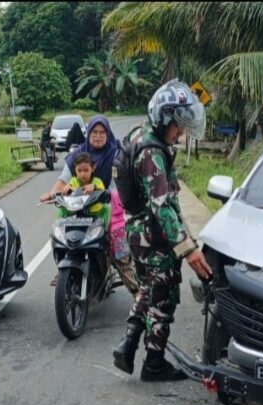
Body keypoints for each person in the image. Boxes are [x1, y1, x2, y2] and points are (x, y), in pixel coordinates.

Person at [112, 79, 213, 382]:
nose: (180, 134)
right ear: (164, 119)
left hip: (137, 233)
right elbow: (161, 206)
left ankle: (128, 344)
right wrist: (188, 248)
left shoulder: (139, 135)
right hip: (155, 236)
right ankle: (154, 363)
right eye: (178, 127)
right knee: (164, 298)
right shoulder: (152, 154)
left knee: (147, 289)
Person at [40, 115, 138, 294]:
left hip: (110, 209)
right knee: (58, 234)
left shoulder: (116, 154)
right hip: (79, 211)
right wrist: (51, 194)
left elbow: (124, 182)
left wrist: (114, 194)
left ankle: (138, 294)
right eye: (94, 132)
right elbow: (63, 181)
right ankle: (64, 268)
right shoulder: (77, 156)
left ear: (108, 134)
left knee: (119, 248)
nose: (98, 136)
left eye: (102, 132)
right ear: (88, 133)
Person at [58, 152, 110, 227]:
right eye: (79, 170)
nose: (82, 174)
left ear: (93, 168)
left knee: (107, 208)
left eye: (86, 170)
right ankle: (59, 232)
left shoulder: (97, 182)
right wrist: (66, 189)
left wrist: (94, 187)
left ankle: (105, 232)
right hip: (75, 212)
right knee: (61, 209)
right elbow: (65, 192)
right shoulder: (73, 181)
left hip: (94, 213)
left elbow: (104, 193)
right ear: (75, 169)